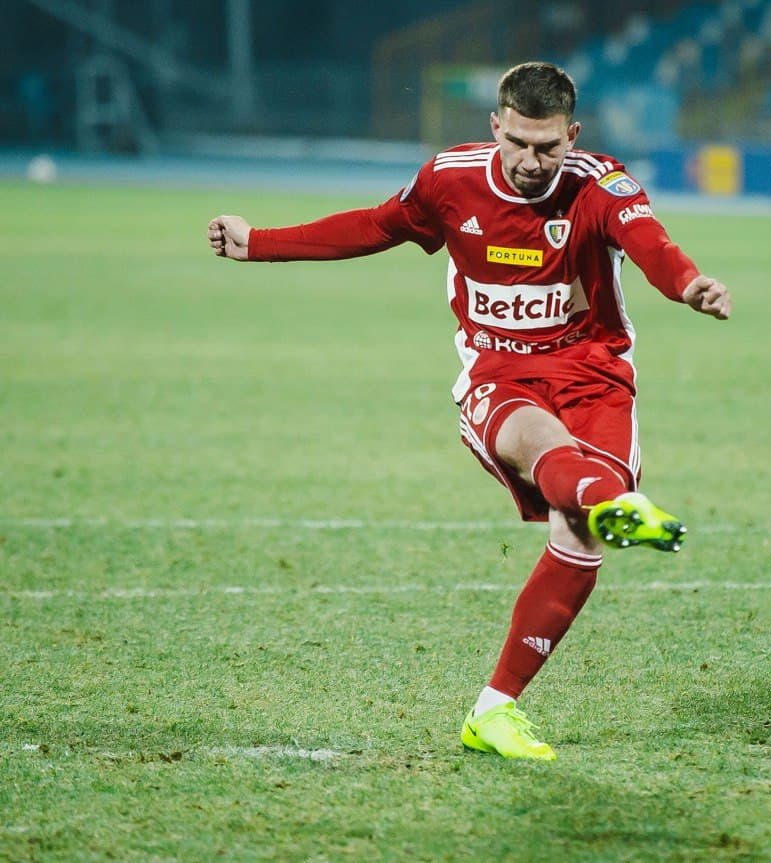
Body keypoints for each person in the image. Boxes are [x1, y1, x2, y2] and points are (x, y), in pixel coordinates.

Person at [207, 61, 731, 761]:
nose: (530, 161)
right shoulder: (450, 180)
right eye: (517, 142)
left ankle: (493, 710)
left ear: (573, 136)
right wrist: (259, 243)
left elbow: (651, 245)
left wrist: (688, 283)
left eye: (547, 146)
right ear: (495, 127)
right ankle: (617, 502)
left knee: (580, 537)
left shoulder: (602, 184)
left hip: (595, 378)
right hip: (500, 376)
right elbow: (374, 226)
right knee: (546, 450)